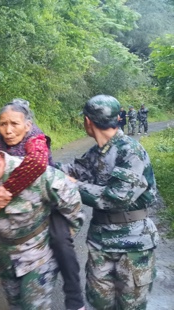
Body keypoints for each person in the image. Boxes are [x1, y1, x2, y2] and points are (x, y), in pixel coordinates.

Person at [0, 99, 85, 310]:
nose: (8, 131)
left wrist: (5, 191)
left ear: (27, 124)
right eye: (3, 124)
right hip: (4, 201)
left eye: (14, 124)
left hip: (44, 199)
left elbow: (37, 163)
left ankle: (75, 299)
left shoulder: (35, 138)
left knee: (61, 241)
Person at [56, 95, 159, 310]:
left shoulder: (130, 150)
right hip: (101, 243)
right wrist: (42, 166)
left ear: (87, 121)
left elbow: (117, 197)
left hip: (133, 245)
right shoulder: (97, 152)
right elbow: (76, 170)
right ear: (118, 116)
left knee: (130, 306)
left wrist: (72, 185)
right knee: (99, 303)